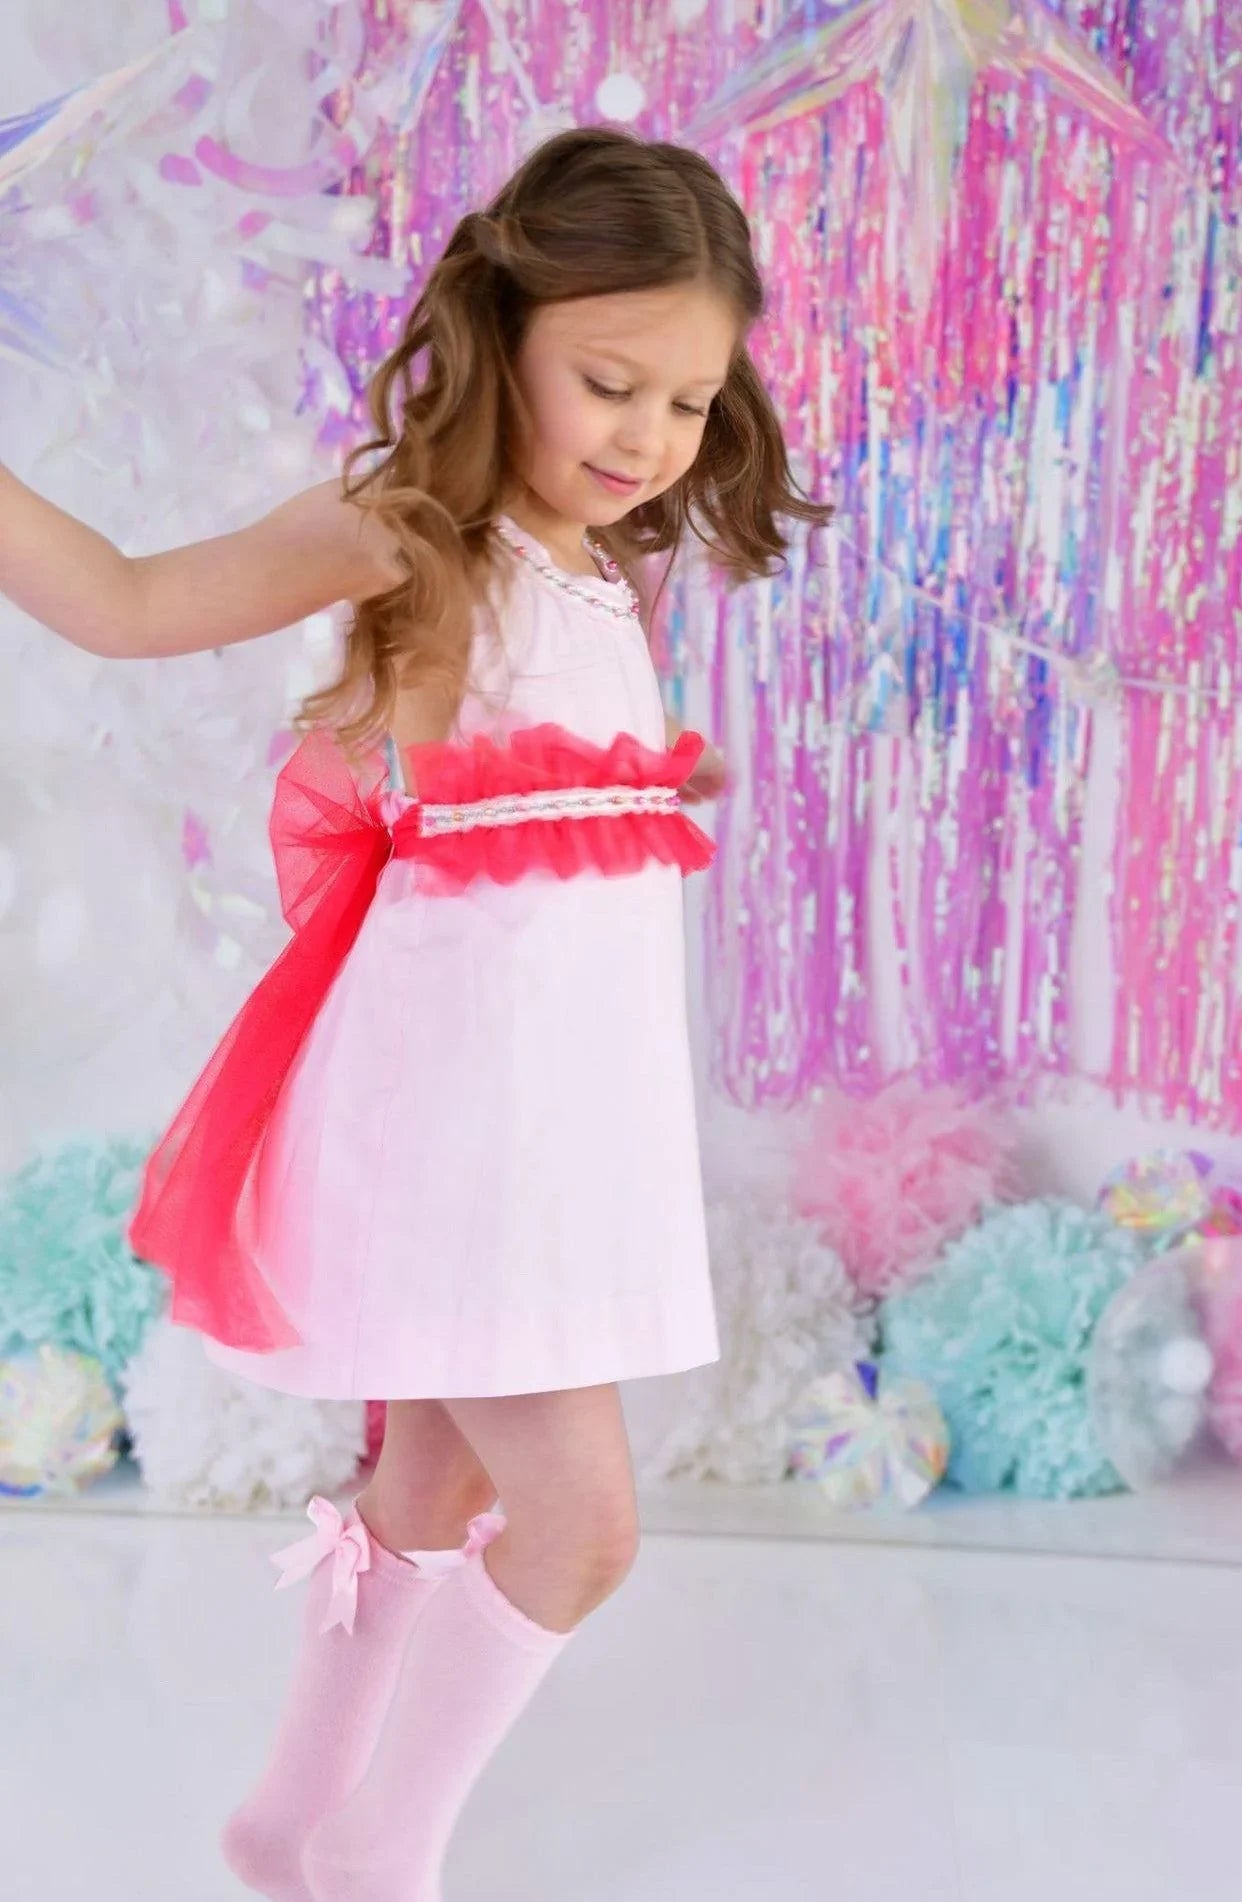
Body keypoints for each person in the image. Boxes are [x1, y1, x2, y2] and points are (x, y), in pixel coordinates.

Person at [0, 124, 830, 1901]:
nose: (647, 440)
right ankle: (386, 1848)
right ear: (505, 327)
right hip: (460, 1124)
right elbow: (132, 601)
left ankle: (295, 1819)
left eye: (689, 403)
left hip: (562, 1125)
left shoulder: (613, 566)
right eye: (611, 383)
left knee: (439, 1488)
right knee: (583, 1525)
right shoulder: (411, 535)